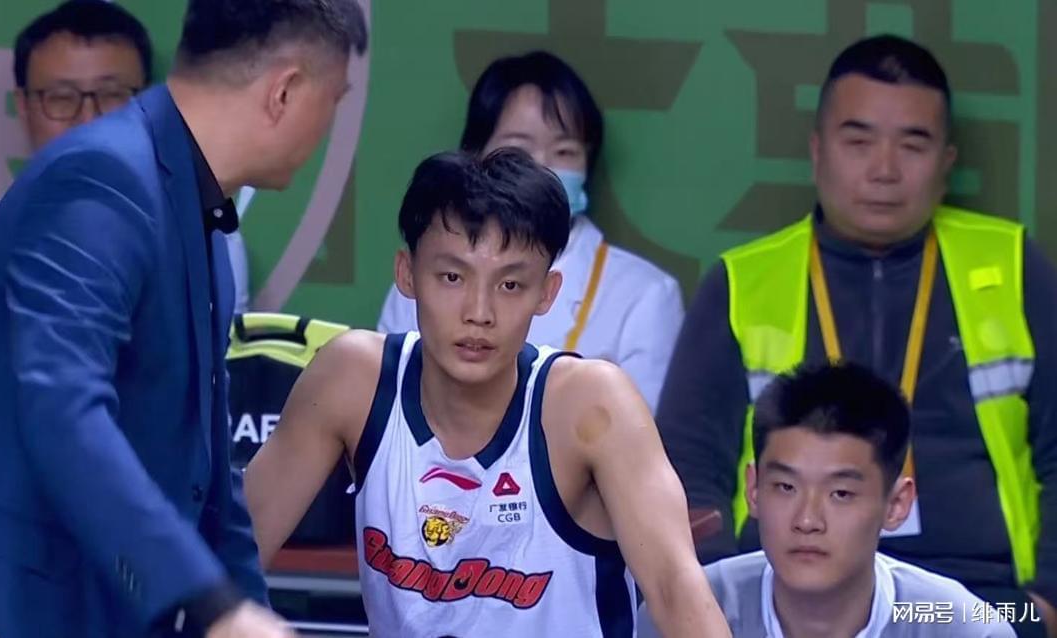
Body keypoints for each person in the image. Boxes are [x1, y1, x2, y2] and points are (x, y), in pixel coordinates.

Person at [0, 1, 366, 636]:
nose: (329, 123)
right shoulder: (105, 176)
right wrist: (209, 602)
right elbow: (62, 409)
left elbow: (207, 479)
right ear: (284, 91)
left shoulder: (198, 214)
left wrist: (242, 606)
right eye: (333, 100)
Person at [656, 33, 1057, 638]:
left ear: (947, 162)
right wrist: (720, 606)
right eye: (859, 141)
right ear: (818, 150)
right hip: (783, 595)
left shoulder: (1013, 267)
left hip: (983, 596)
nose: (884, 170)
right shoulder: (743, 282)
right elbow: (687, 467)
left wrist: (1047, 601)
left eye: (912, 144)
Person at [246, 148, 730, 637]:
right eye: (452, 277)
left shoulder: (591, 405)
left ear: (547, 292)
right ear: (406, 274)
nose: (479, 312)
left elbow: (676, 591)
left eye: (511, 284)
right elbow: (232, 553)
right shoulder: (351, 380)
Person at [376, 51, 683, 409]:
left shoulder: (646, 295)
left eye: (564, 152)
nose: (543, 168)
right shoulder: (428, 271)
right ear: (475, 154)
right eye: (518, 150)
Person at [0, 0, 251, 318]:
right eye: (61, 98)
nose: (89, 120)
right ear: (24, 107)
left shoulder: (208, 246)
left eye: (113, 95)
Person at [639, 362, 1016, 637]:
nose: (807, 520)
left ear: (896, 505)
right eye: (785, 487)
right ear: (754, 489)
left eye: (841, 494)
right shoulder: (680, 615)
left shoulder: (964, 629)